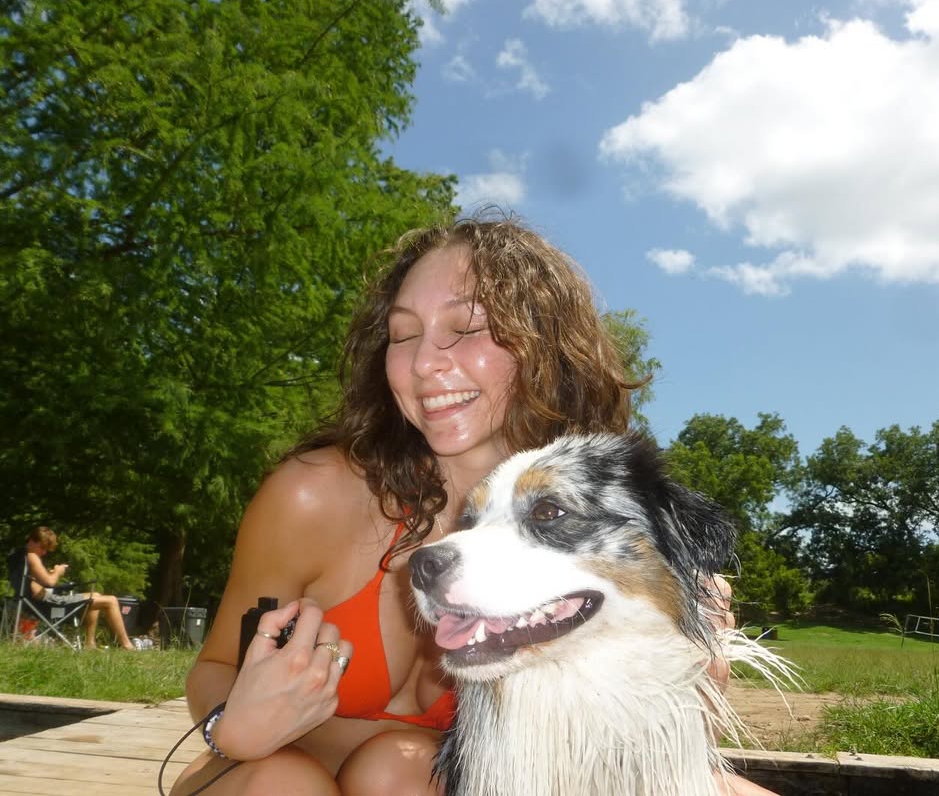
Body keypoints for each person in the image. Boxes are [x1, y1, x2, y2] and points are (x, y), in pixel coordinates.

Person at [173, 216, 777, 796]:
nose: (424, 363)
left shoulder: (599, 528)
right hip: (267, 775)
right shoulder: (313, 495)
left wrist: (699, 669)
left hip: (443, 781)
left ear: (545, 346)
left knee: (404, 773)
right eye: (403, 335)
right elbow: (218, 665)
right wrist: (233, 727)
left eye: (463, 328)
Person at [12, 526, 137, 650]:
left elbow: (36, 581)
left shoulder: (18, 556)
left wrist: (49, 573)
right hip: (50, 603)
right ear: (33, 541)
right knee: (111, 600)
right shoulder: (31, 556)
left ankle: (90, 644)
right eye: (42, 548)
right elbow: (50, 582)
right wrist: (58, 572)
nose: (44, 552)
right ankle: (127, 646)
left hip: (37, 603)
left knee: (96, 596)